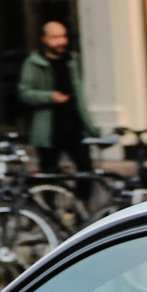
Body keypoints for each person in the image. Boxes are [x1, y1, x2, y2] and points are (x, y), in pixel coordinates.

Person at [17, 19, 94, 176]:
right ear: (44, 39)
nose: (61, 42)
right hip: (49, 128)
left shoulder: (72, 61)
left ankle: (83, 200)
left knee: (86, 169)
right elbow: (24, 93)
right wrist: (49, 96)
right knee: (49, 173)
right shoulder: (34, 63)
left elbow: (80, 95)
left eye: (63, 36)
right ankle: (49, 199)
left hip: (74, 125)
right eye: (55, 37)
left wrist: (91, 127)